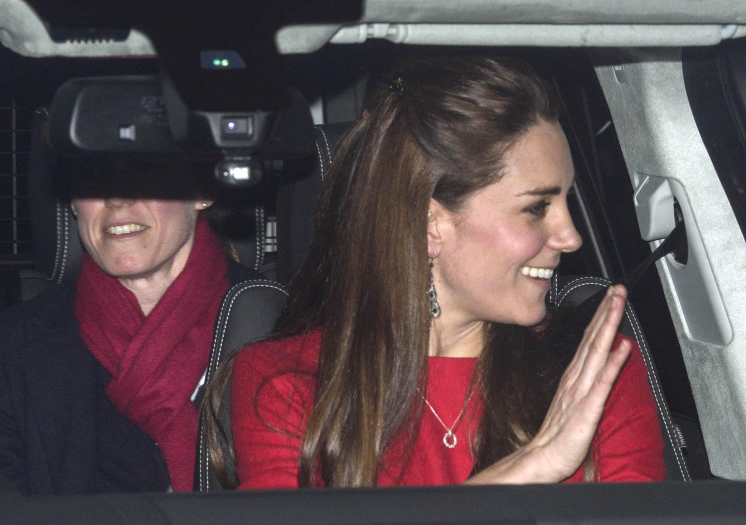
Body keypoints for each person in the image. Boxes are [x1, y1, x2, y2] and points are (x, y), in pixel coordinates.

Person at [209, 55, 664, 489]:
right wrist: (527, 469)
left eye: (565, 201)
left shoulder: (589, 373)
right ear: (430, 224)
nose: (570, 237)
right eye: (536, 208)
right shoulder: (289, 385)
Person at [0, 158, 261, 494]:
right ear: (72, 203)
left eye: (146, 170)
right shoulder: (11, 348)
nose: (117, 200)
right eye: (93, 173)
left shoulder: (283, 327)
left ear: (201, 192)